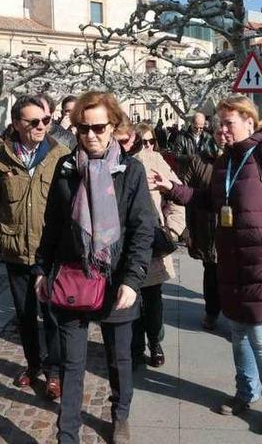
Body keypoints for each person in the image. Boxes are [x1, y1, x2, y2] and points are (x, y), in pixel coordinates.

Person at [153, 94, 262, 435]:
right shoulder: (227, 159)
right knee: (238, 334)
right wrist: (174, 189)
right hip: (232, 259)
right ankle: (244, 393)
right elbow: (210, 200)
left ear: (250, 122)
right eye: (219, 122)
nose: (221, 129)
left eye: (228, 123)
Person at [33, 92, 156, 444]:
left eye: (99, 127)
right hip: (73, 276)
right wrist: (42, 269)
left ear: (114, 127)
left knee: (119, 360)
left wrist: (132, 280)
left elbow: (142, 228)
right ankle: (67, 432)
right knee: (72, 363)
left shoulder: (130, 171)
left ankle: (120, 416)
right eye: (83, 128)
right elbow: (53, 224)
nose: (90, 135)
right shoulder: (66, 167)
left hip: (116, 280)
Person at [0, 95, 69, 399]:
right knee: (24, 313)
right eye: (32, 122)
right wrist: (9, 227)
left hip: (50, 252)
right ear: (16, 124)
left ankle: (55, 371)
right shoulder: (0, 159)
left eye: (45, 121)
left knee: (52, 314)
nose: (40, 126)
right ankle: (33, 365)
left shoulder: (62, 154)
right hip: (16, 249)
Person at [115, 121, 185, 369]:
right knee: (126, 300)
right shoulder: (108, 161)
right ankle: (133, 348)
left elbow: (176, 195)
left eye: (124, 140)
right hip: (120, 244)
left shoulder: (153, 160)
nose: (121, 145)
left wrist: (172, 229)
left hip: (151, 242)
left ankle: (155, 341)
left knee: (152, 300)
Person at [179, 131, 222, 331]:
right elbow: (185, 190)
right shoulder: (200, 161)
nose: (223, 136)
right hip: (207, 226)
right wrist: (186, 228)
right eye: (219, 131)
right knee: (211, 271)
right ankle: (212, 311)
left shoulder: (244, 158)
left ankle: (234, 314)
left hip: (236, 228)